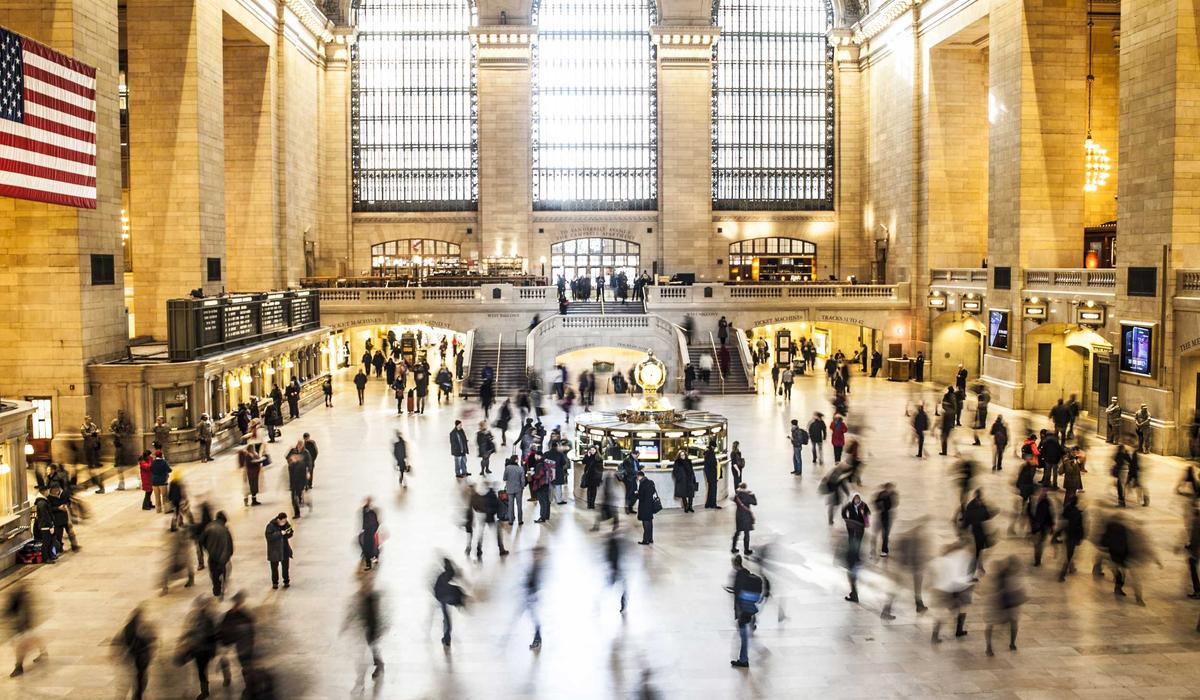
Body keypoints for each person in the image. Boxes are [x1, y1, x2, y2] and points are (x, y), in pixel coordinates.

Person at [728, 555, 767, 668]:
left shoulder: (738, 576)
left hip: (744, 608)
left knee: (743, 635)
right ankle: (744, 657)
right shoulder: (746, 573)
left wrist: (738, 614)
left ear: (734, 564)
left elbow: (738, 596)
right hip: (750, 607)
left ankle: (744, 660)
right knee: (744, 634)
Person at [176, 597, 219, 699]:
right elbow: (191, 631)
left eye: (199, 605)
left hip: (203, 650)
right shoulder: (197, 617)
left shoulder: (207, 619)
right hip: (198, 649)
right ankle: (200, 690)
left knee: (201, 670)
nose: (197, 607)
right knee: (200, 670)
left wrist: (212, 650)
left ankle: (204, 691)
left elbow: (211, 636)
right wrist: (184, 639)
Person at [984, 556, 1025, 656]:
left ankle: (1011, 643)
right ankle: (990, 647)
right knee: (993, 624)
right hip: (999, 603)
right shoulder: (1003, 575)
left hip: (1008, 604)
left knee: (1012, 622)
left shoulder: (1013, 576)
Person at [6, 582, 48, 678]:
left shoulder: (19, 597)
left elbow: (20, 612)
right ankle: (43, 652)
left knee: (20, 647)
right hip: (24, 626)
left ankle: (19, 667)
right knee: (32, 639)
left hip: (23, 626)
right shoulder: (20, 596)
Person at [118, 607, 156, 700]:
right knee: (140, 677)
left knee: (136, 678)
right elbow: (149, 639)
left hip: (134, 656)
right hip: (140, 656)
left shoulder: (128, 627)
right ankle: (137, 696)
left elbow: (121, 640)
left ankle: (135, 695)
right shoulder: (141, 628)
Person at [841, 493, 870, 602]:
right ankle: (854, 594)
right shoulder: (849, 505)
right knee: (852, 539)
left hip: (860, 527)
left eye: (858, 498)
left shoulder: (863, 505)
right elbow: (843, 512)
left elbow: (867, 513)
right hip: (851, 526)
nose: (857, 500)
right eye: (855, 498)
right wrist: (846, 519)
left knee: (858, 541)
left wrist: (864, 515)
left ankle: (854, 595)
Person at [433, 559, 466, 647]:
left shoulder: (444, 575)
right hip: (443, 595)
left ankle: (447, 638)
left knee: (446, 616)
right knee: (446, 617)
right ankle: (447, 638)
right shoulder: (450, 573)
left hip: (440, 595)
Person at [961, 490, 994, 576]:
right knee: (977, 551)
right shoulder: (975, 507)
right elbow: (968, 519)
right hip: (975, 532)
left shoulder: (978, 506)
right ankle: (972, 571)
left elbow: (987, 516)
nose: (980, 500)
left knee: (979, 550)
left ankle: (979, 567)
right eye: (979, 499)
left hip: (980, 531)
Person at [200, 511, 233, 597]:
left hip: (213, 555)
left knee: (214, 573)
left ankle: (216, 588)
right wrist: (229, 554)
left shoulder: (209, 527)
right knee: (222, 570)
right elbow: (230, 543)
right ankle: (222, 585)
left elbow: (201, 540)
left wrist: (207, 548)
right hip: (223, 556)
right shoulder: (225, 530)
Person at [1057, 494, 1086, 582]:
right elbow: (1080, 527)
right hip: (1073, 536)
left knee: (1067, 553)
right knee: (1069, 555)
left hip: (1066, 534)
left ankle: (1071, 568)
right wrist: (1081, 537)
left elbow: (1062, 522)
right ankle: (1062, 575)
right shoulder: (1077, 514)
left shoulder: (1066, 510)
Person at [265, 513, 294, 590]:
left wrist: (289, 532)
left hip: (284, 549)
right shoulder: (270, 526)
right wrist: (280, 533)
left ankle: (286, 581)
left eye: (285, 520)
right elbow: (269, 537)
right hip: (274, 550)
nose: (285, 522)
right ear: (279, 520)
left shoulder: (286, 524)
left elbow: (290, 532)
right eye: (283, 521)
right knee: (274, 568)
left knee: (285, 567)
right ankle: (275, 582)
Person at [1029, 487, 1054, 567]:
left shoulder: (1043, 503)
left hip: (1041, 527)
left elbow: (1043, 516)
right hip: (1042, 526)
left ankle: (1037, 560)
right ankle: (1037, 559)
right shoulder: (1044, 502)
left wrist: (1036, 528)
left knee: (1038, 544)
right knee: (1039, 544)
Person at [285, 440, 310, 518]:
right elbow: (287, 457)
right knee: (293, 495)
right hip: (293, 476)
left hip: (301, 476)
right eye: (298, 445)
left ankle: (300, 498)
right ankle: (297, 513)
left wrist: (308, 472)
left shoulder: (305, 452)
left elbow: (308, 463)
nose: (299, 446)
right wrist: (292, 460)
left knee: (299, 491)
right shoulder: (292, 450)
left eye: (301, 445)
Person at [731, 483, 757, 554]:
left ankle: (733, 548)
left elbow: (732, 498)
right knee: (746, 533)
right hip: (746, 516)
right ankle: (746, 550)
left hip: (738, 515)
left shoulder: (737, 496)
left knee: (737, 532)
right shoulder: (747, 496)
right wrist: (752, 494)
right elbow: (754, 502)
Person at [873, 483, 897, 557]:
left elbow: (893, 504)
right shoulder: (881, 494)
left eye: (890, 488)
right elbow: (875, 502)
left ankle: (884, 550)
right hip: (880, 516)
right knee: (877, 533)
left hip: (888, 517)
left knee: (885, 534)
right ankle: (874, 549)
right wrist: (879, 507)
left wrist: (883, 504)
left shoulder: (893, 495)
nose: (889, 490)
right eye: (887, 488)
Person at [636, 471, 659, 545]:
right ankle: (650, 539)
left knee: (645, 523)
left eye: (637, 477)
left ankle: (645, 540)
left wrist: (636, 494)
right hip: (650, 505)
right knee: (650, 522)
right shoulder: (651, 482)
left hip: (644, 506)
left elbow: (641, 497)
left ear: (639, 476)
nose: (637, 479)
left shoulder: (642, 484)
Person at [531, 453, 554, 523]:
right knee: (546, 501)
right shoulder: (547, 463)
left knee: (542, 501)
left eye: (536, 455)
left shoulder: (539, 464)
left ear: (538, 456)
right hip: (547, 484)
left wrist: (533, 475)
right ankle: (547, 515)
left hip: (540, 485)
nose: (535, 457)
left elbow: (539, 475)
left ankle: (542, 517)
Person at [503, 455, 526, 524]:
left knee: (510, 505)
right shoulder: (520, 469)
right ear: (516, 460)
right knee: (519, 505)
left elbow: (504, 478)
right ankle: (520, 520)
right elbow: (523, 480)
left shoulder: (507, 468)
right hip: (518, 489)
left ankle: (510, 520)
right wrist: (522, 487)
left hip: (510, 489)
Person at [360, 498, 380, 571]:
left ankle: (374, 558)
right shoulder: (366, 511)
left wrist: (374, 529)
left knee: (372, 546)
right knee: (367, 547)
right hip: (367, 532)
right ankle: (369, 563)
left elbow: (377, 522)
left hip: (371, 532)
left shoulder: (372, 512)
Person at [149, 449, 171, 513]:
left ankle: (158, 510)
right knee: (164, 496)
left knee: (157, 497)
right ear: (161, 455)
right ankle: (166, 509)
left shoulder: (153, 462)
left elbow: (151, 469)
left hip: (154, 482)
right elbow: (169, 470)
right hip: (162, 482)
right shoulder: (164, 462)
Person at [703, 443, 721, 509]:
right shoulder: (710, 453)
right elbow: (712, 463)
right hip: (712, 474)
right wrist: (716, 462)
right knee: (713, 489)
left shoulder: (707, 452)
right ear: (712, 446)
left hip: (709, 474)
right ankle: (713, 504)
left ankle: (708, 504)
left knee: (710, 489)